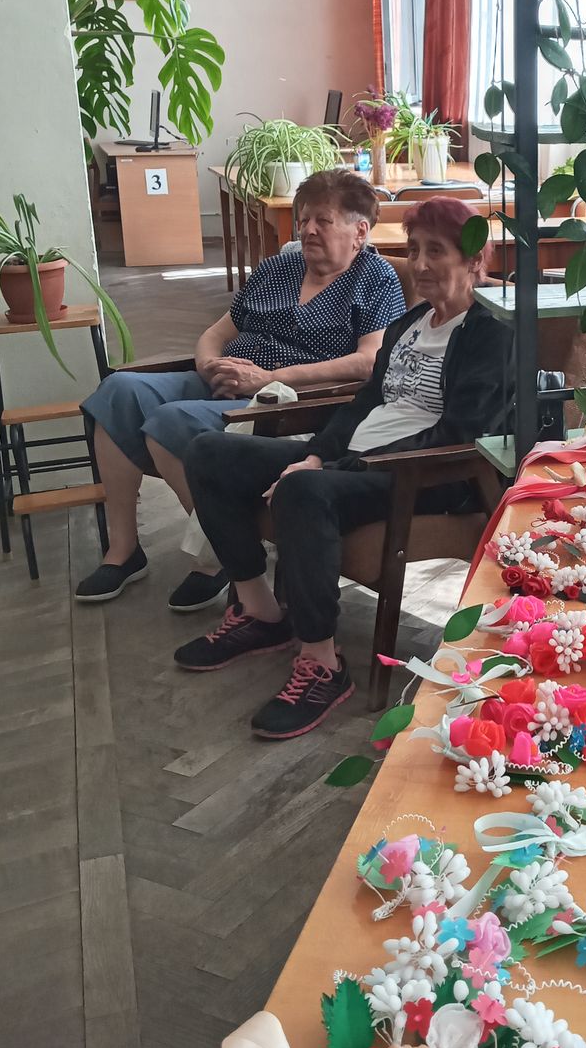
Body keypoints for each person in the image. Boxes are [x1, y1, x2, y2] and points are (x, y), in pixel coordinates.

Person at [176, 196, 512, 739]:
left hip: (425, 475)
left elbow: (461, 433)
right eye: (414, 250)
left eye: (436, 251)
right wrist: (315, 454)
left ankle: (322, 664)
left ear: (474, 260)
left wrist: (337, 469)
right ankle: (262, 613)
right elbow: (364, 403)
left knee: (303, 492)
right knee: (209, 453)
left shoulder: (491, 332)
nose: (420, 264)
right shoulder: (409, 323)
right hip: (353, 459)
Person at [77, 170, 405, 610]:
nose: (308, 230)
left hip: (284, 399)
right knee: (118, 391)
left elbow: (369, 361)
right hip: (227, 381)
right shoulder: (278, 268)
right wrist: (209, 364)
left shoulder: (376, 278)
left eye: (323, 221)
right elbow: (216, 332)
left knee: (168, 422)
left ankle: (221, 557)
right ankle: (124, 550)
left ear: (360, 231)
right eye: (304, 219)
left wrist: (272, 377)